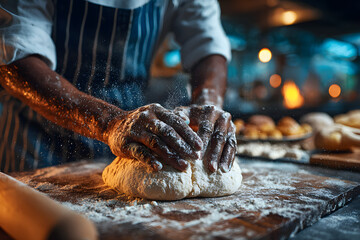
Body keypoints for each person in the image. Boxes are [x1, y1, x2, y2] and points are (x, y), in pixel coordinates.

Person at [0, 0, 236, 174]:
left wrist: (209, 106)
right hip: (37, 143)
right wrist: (110, 122)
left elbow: (207, 45)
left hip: (132, 145)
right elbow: (13, 55)